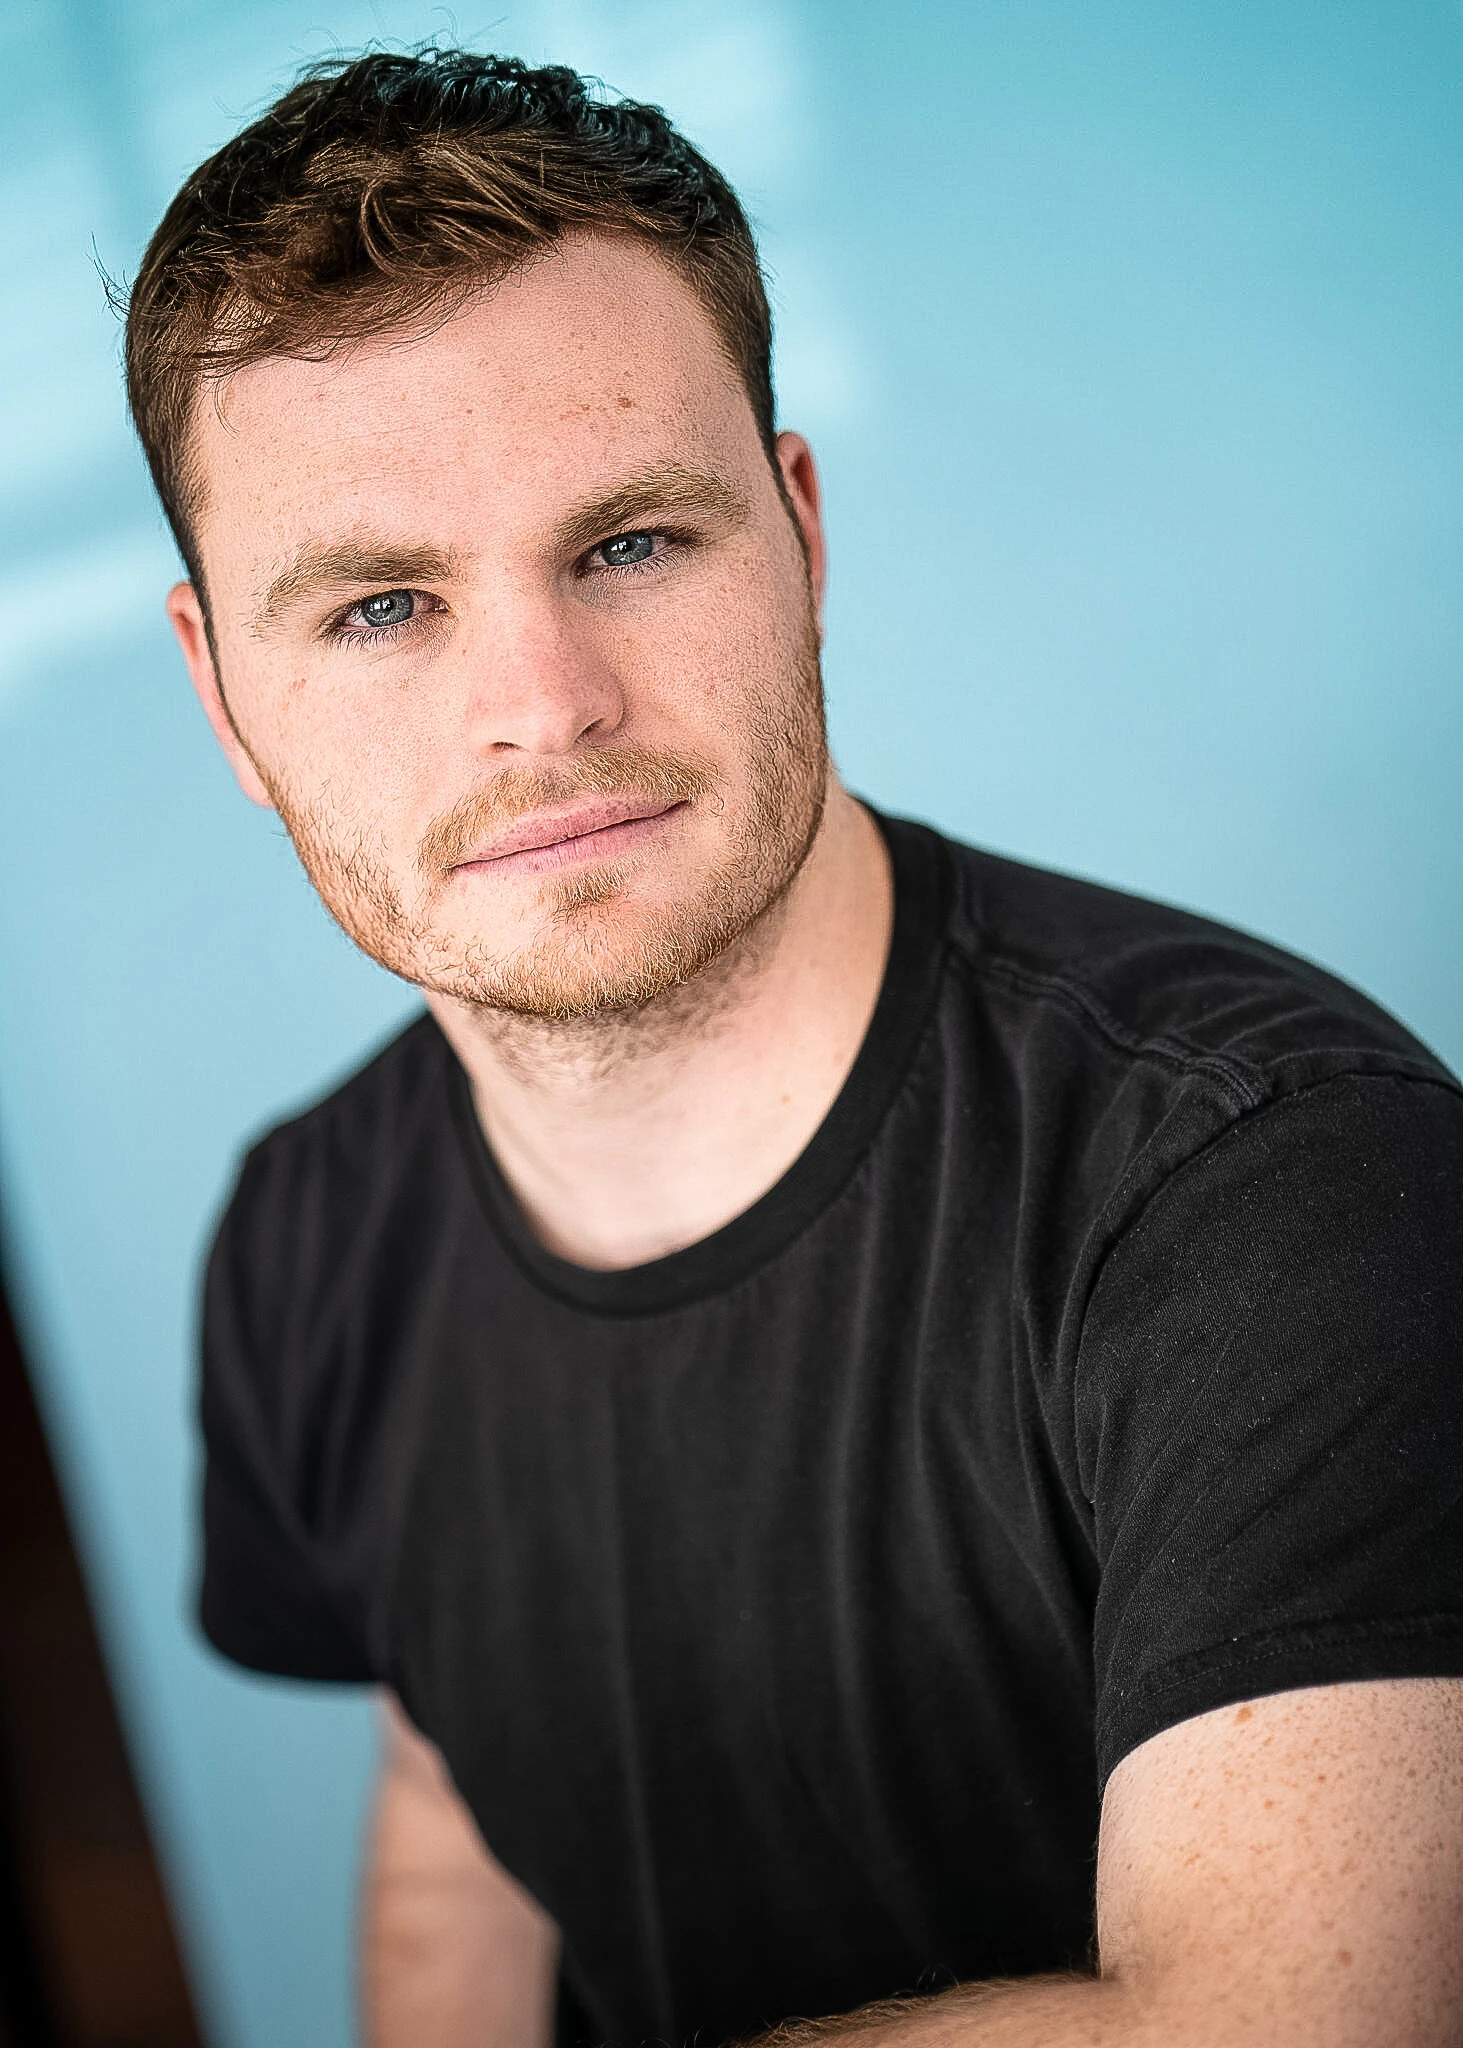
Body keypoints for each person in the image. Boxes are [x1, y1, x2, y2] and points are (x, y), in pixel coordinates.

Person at [125, 46, 1463, 2048]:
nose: (544, 704)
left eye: (630, 543)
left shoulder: (1278, 1188)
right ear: (222, 694)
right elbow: (458, 1812)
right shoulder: (304, 1240)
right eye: (383, 605)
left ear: (799, 535)